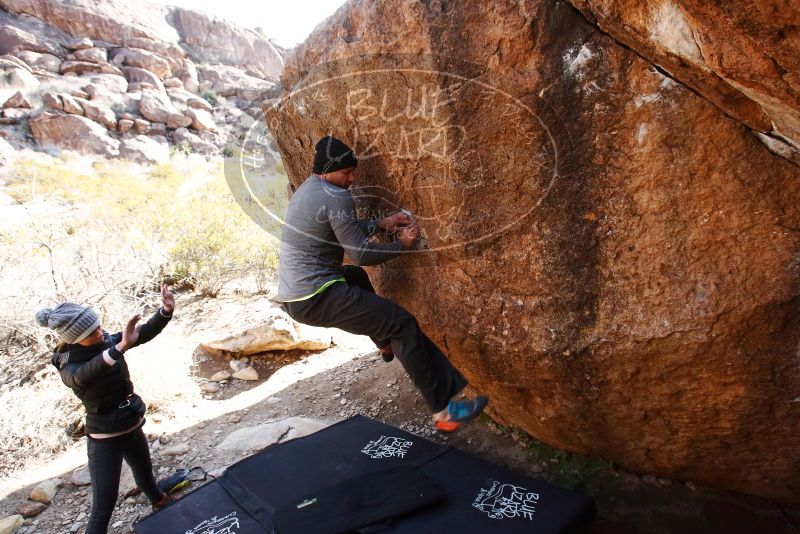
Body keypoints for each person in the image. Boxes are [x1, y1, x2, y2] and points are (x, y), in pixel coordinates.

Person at [277, 135, 487, 432]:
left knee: (354, 277)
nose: (351, 179)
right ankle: (445, 412)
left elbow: (343, 230)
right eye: (346, 173)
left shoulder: (309, 190)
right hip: (316, 297)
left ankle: (385, 345)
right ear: (326, 170)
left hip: (295, 297)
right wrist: (402, 245)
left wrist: (381, 223)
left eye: (353, 172)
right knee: (402, 324)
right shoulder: (336, 195)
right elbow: (361, 253)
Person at [36, 285, 177, 534]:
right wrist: (119, 348)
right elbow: (85, 374)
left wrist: (165, 311)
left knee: (146, 476)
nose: (100, 333)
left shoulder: (105, 341)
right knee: (104, 506)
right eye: (92, 332)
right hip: (105, 441)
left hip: (131, 425)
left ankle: (159, 502)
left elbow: (142, 333)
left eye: (99, 327)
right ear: (75, 338)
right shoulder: (68, 365)